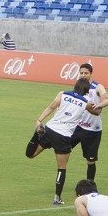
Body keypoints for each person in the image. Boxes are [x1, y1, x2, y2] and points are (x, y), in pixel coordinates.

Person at [26, 76, 91, 205]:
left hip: (50, 129)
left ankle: (35, 134)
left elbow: (51, 107)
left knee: (31, 155)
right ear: (86, 90)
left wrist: (39, 120)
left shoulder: (62, 94)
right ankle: (57, 198)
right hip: (63, 136)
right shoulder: (86, 102)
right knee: (61, 168)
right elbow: (96, 112)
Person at [73, 62, 108, 183]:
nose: (83, 75)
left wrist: (99, 104)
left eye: (86, 73)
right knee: (63, 147)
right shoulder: (79, 86)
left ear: (91, 74)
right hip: (78, 127)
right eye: (81, 73)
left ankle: (90, 184)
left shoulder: (97, 87)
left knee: (90, 160)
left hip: (93, 131)